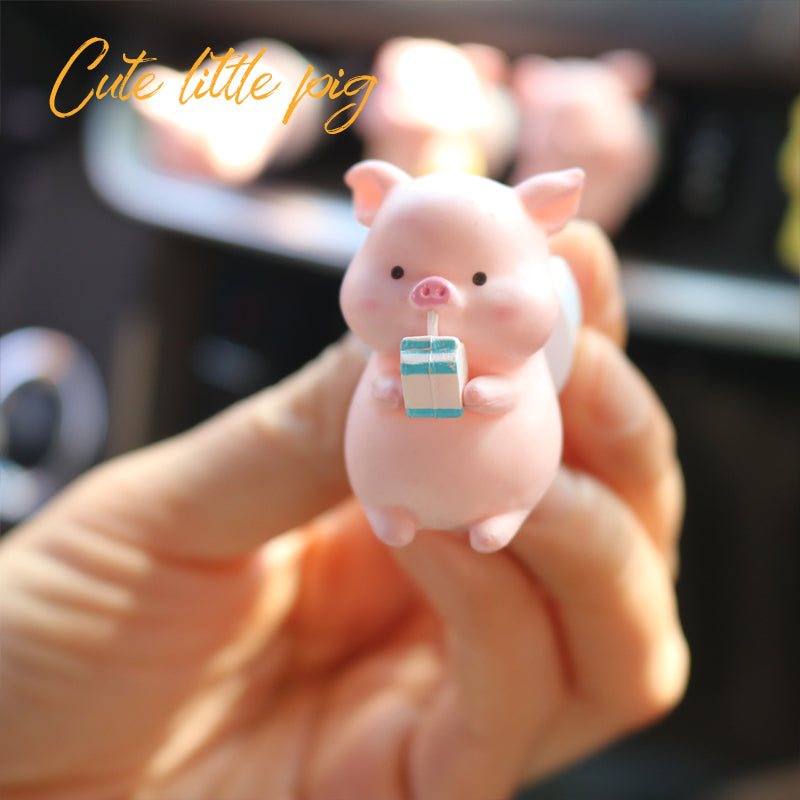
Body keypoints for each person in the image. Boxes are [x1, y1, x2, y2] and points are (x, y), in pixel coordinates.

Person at [0, 221, 688, 800]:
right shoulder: (389, 356)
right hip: (386, 488)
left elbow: (513, 397)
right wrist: (388, 387)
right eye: (400, 272)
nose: (435, 290)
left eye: (479, 279)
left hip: (498, 484)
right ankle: (404, 513)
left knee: (531, 514)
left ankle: (497, 516)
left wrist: (486, 395)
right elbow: (377, 394)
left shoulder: (522, 358)